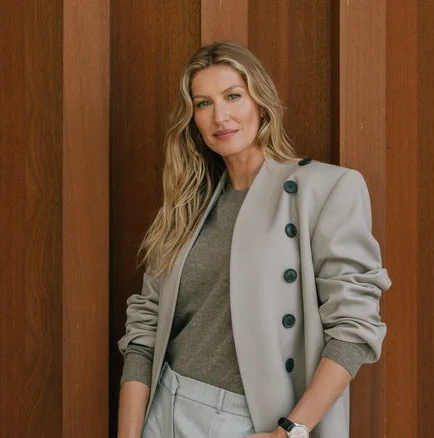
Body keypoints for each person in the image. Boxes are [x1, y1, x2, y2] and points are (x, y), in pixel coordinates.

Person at [117, 41, 391, 438]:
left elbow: (354, 327)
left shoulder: (325, 190)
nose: (220, 116)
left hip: (251, 421)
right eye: (203, 103)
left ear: (260, 103)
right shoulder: (186, 206)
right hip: (165, 408)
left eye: (232, 96)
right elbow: (145, 327)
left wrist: (291, 432)